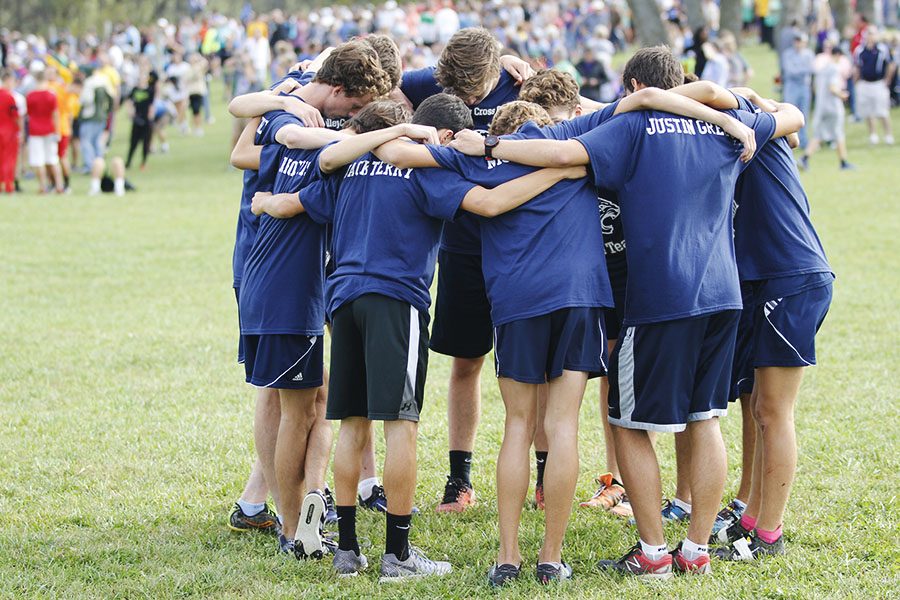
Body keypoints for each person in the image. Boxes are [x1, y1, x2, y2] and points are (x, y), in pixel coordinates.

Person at [447, 46, 803, 579]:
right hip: (722, 293)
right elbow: (790, 117)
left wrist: (493, 143)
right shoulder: (730, 123)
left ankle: (655, 552)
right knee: (706, 420)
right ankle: (696, 550)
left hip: (660, 294)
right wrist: (743, 101)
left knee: (627, 423)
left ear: (633, 86)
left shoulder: (634, 125)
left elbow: (566, 153)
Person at [253, 95, 579, 581]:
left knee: (352, 424)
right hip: (395, 300)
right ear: (443, 137)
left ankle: (346, 553)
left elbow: (299, 200)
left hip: (341, 299)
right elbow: (489, 203)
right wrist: (564, 169)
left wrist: (263, 202)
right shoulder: (426, 171)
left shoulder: (353, 159)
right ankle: (398, 556)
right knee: (400, 424)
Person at [224, 42, 392, 535]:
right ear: (338, 89)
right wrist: (291, 109)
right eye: (354, 109)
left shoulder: (321, 117)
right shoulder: (292, 106)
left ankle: (288, 502)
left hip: (302, 270)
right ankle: (290, 519)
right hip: (275, 271)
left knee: (310, 394)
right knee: (289, 397)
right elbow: (245, 134)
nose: (354, 119)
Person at [802, 46, 855, 170]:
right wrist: (842, 95)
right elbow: (832, 88)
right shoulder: (834, 68)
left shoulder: (822, 69)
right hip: (833, 107)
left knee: (819, 134)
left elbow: (815, 87)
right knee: (838, 133)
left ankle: (805, 158)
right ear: (839, 56)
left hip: (821, 106)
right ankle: (843, 162)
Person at [853, 25, 895, 145]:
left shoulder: (882, 49)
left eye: (872, 34)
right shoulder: (860, 50)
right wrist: (856, 81)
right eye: (868, 34)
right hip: (865, 83)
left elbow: (890, 64)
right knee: (868, 111)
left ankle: (888, 135)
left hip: (878, 83)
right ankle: (873, 134)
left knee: (882, 111)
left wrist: (887, 79)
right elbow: (857, 66)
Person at [25, 66, 65, 194]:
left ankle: (43, 186)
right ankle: (59, 185)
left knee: (39, 160)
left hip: (35, 130)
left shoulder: (31, 96)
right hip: (49, 129)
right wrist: (57, 130)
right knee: (52, 159)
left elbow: (29, 113)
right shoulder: (51, 95)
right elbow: (55, 114)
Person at [781, 32, 815, 149]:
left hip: (804, 87)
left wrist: (800, 70)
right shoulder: (787, 54)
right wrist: (802, 70)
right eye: (797, 41)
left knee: (804, 114)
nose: (798, 44)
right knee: (788, 113)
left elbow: (810, 68)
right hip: (791, 87)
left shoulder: (809, 54)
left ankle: (803, 141)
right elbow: (790, 71)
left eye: (801, 41)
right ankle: (788, 139)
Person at [125, 70, 158, 170]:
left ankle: (143, 163)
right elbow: (128, 100)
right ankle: (128, 162)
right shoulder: (135, 90)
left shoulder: (150, 90)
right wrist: (130, 110)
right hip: (137, 119)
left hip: (146, 120)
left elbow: (152, 104)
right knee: (133, 142)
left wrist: (150, 116)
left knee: (146, 143)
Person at [0, 68, 22, 194]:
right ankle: (9, 185)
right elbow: (16, 116)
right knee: (9, 159)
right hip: (8, 132)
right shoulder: (10, 97)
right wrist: (21, 131)